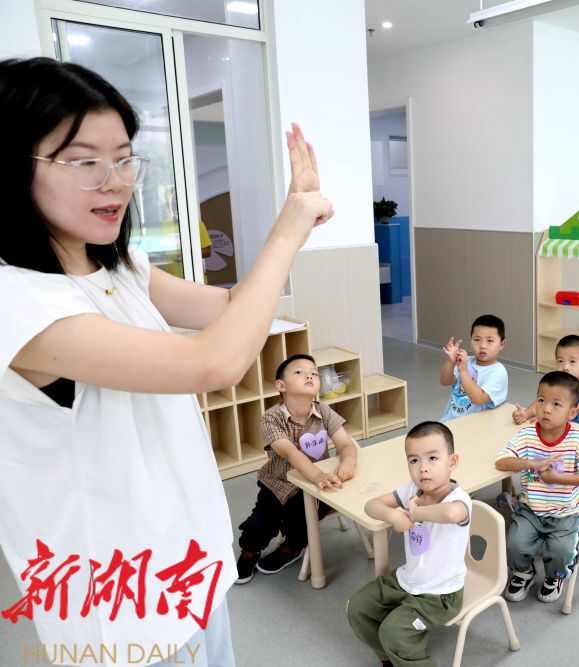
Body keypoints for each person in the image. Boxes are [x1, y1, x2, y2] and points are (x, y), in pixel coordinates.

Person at [0, 57, 332, 662]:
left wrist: (292, 229)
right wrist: (286, 233)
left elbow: (229, 307)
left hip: (185, 556)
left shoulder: (119, 265)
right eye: (84, 161)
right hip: (116, 594)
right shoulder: (17, 301)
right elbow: (214, 362)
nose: (116, 181)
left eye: (125, 158)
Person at [347, 422, 471, 667]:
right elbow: (371, 505)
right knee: (357, 608)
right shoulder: (412, 490)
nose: (422, 468)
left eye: (432, 458)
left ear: (452, 462)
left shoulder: (459, 499)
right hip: (407, 579)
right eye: (414, 460)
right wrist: (393, 516)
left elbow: (450, 514)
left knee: (393, 633)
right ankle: (389, 659)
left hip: (441, 594)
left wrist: (416, 513)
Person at [235, 353, 358, 583]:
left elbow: (345, 444)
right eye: (300, 372)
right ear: (281, 385)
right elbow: (290, 453)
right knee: (260, 523)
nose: (309, 376)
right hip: (278, 482)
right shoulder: (271, 418)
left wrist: (348, 464)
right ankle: (250, 551)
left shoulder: (324, 411)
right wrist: (317, 474)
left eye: (314, 373)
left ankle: (292, 548)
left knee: (302, 521)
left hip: (314, 487)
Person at [495, 371, 579, 603]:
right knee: (514, 544)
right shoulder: (527, 434)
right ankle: (524, 573)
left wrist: (558, 479)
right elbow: (502, 461)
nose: (546, 409)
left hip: (567, 512)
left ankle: (555, 576)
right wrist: (531, 464)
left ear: (572, 412)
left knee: (561, 551)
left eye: (556, 404)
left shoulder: (577, 440)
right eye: (541, 400)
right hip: (531, 509)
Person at [511, 334, 579, 457]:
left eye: (572, 362)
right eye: (560, 361)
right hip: (573, 436)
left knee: (564, 458)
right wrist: (526, 413)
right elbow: (544, 400)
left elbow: (568, 410)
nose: (565, 367)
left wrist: (542, 419)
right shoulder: (562, 382)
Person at [439, 314, 508, 422]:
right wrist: (451, 362)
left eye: (490, 341)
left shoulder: (498, 372)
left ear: (502, 344)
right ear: (470, 340)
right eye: (477, 340)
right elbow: (445, 381)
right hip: (450, 421)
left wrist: (463, 371)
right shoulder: (466, 361)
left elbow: (478, 399)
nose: (482, 346)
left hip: (476, 426)